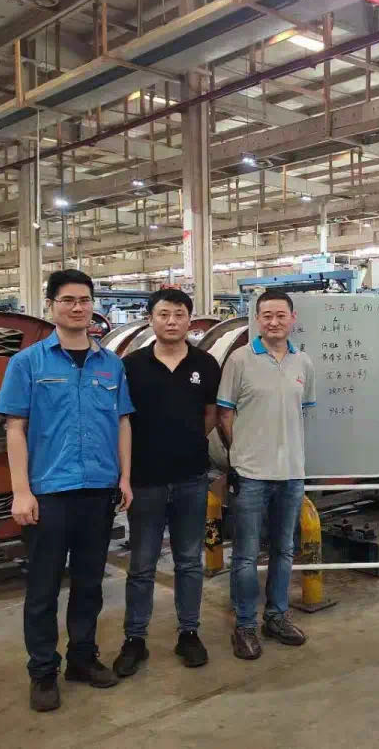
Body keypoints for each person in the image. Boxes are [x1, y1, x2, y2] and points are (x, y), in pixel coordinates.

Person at [0, 269, 135, 712]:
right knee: (43, 589)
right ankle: (42, 671)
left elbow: (122, 422)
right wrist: (21, 491)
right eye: (68, 300)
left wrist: (124, 478)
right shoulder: (28, 363)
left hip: (98, 490)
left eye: (85, 300)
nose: (78, 308)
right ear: (51, 306)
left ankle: (82, 658)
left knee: (90, 584)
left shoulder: (110, 364)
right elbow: (15, 429)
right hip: (49, 493)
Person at [112, 288, 221, 677]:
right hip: (146, 482)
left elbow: (210, 414)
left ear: (189, 319)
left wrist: (186, 442)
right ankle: (134, 639)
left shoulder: (205, 364)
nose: (171, 321)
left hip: (192, 479)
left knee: (189, 561)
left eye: (178, 314)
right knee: (141, 564)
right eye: (163, 314)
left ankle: (188, 632)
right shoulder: (131, 365)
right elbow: (123, 420)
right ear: (151, 319)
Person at [217, 289, 315, 660]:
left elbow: (303, 412)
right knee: (245, 555)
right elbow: (225, 414)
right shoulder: (239, 360)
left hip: (291, 474)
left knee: (284, 549)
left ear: (292, 319)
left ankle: (276, 617)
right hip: (251, 475)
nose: (273, 322)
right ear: (258, 320)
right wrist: (242, 452)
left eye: (280, 315)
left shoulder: (303, 363)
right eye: (266, 316)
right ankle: (245, 625)